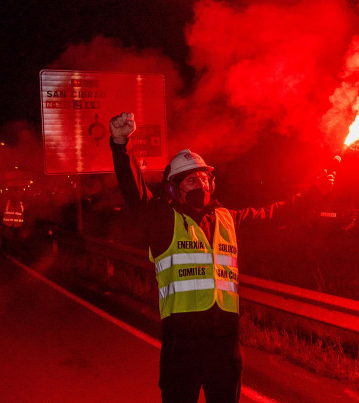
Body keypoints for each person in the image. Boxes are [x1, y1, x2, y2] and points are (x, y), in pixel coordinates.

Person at [109, 112, 335, 403]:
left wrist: (316, 193)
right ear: (172, 188)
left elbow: (278, 214)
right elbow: (133, 191)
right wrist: (120, 144)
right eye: (191, 181)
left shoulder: (230, 220)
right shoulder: (162, 220)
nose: (200, 185)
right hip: (181, 345)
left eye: (204, 179)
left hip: (225, 345)